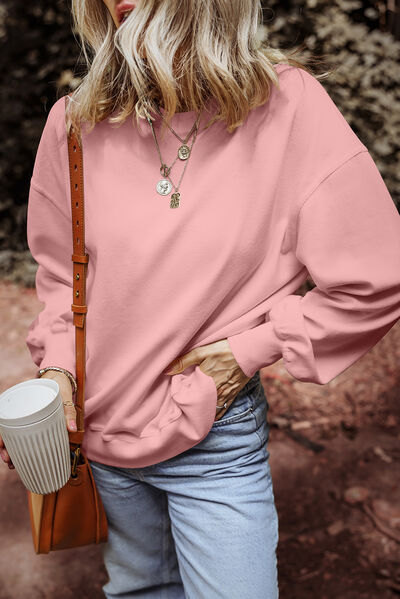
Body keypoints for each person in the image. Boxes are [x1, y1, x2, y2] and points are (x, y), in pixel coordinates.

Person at [2, 0, 400, 597]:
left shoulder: (288, 106)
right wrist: (58, 371)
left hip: (212, 436)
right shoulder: (76, 121)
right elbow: (64, 276)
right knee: (140, 589)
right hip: (98, 430)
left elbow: (378, 274)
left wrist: (251, 349)